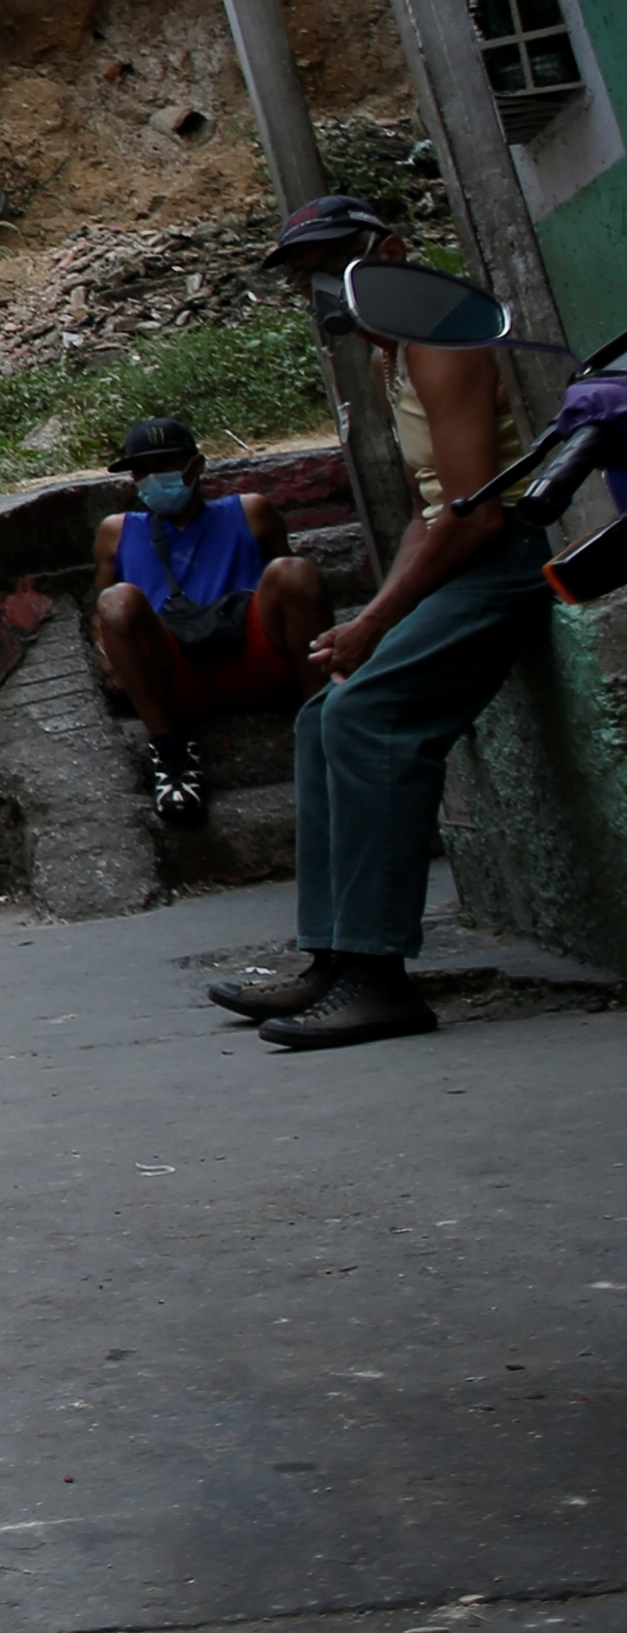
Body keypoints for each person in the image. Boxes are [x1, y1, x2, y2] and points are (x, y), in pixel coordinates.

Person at [208, 195, 545, 1052]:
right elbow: (424, 520)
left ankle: (378, 978)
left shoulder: (443, 339)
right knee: (325, 712)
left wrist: (376, 623)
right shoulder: (391, 357)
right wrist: (373, 622)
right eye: (303, 281)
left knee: (369, 719)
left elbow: (474, 517)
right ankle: (330, 958)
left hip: (502, 561)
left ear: (387, 255)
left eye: (328, 269)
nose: (318, 292)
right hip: (455, 556)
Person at [88, 413, 328, 821]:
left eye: (164, 466)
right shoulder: (118, 531)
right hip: (176, 671)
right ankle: (169, 751)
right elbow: (101, 613)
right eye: (142, 471)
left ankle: (325, 725)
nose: (151, 478)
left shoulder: (251, 512)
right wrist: (106, 652)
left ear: (195, 466)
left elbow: (293, 594)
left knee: (294, 571)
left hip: (253, 653)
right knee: (116, 601)